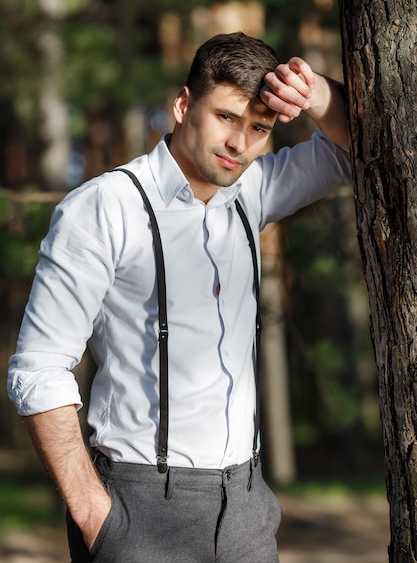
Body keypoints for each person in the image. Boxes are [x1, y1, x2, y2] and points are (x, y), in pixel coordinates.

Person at [7, 32, 351, 563]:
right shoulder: (105, 207)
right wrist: (96, 516)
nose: (240, 143)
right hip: (138, 511)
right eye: (226, 118)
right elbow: (38, 368)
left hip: (247, 513)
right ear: (183, 104)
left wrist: (314, 92)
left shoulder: (252, 193)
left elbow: (355, 149)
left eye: (259, 128)